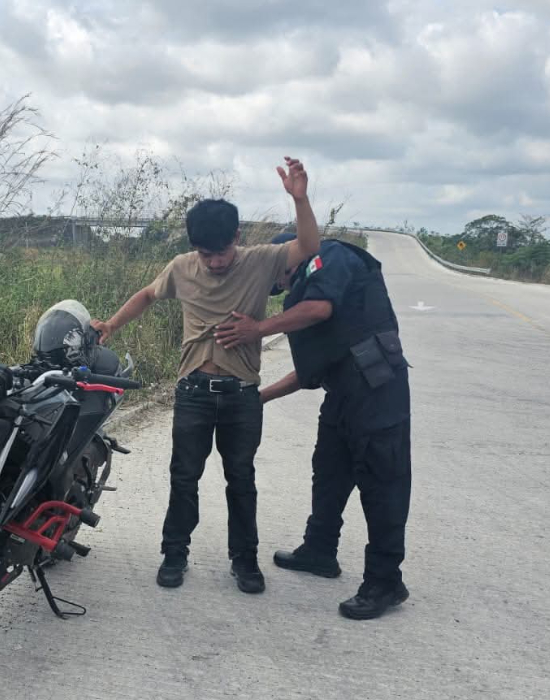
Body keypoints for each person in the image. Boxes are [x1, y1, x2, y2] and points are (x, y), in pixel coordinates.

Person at [93, 159, 320, 593]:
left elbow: (308, 246)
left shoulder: (260, 261)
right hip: (194, 391)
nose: (215, 262)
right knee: (184, 478)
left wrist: (300, 199)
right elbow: (147, 294)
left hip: (241, 395)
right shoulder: (182, 267)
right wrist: (112, 324)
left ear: (237, 238)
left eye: (221, 252)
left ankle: (245, 561)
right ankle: (174, 555)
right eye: (206, 254)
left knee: (241, 480)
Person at [214, 232, 412, 619]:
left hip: (378, 391)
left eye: (278, 275)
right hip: (343, 393)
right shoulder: (301, 296)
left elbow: (320, 308)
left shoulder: (329, 255)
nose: (281, 286)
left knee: (381, 484)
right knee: (329, 471)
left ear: (290, 255)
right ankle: (319, 550)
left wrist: (258, 328)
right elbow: (309, 374)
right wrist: (258, 397)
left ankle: (386, 580)